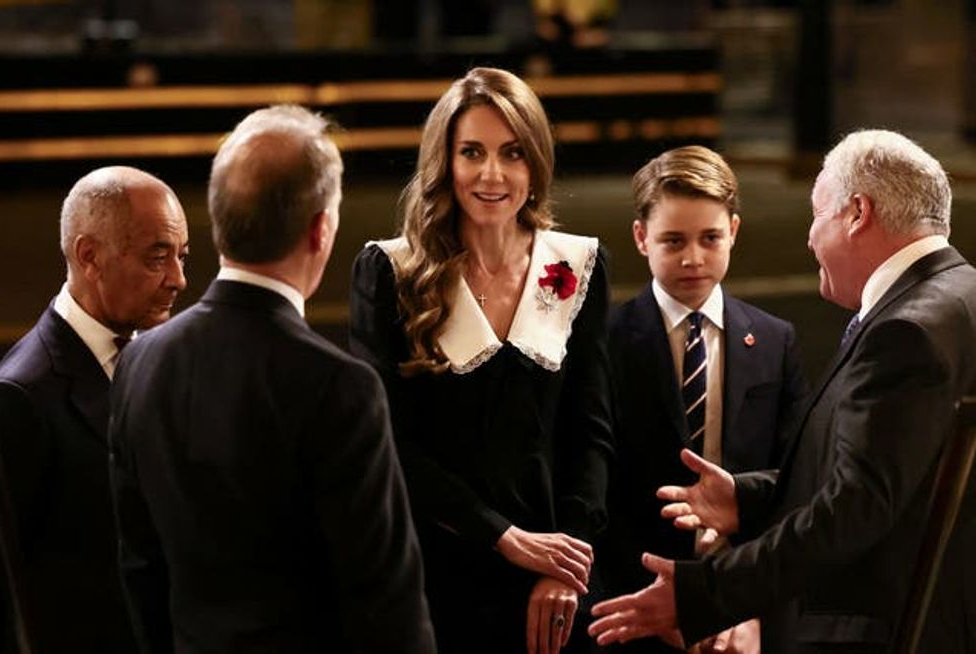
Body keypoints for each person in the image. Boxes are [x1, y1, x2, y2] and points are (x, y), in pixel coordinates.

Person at [588, 129, 976, 653]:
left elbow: (854, 507)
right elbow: (885, 475)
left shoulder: (902, 331)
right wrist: (748, 498)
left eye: (817, 216)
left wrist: (709, 594)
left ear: (856, 212)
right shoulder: (961, 293)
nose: (811, 238)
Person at [108, 105, 436, 653]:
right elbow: (385, 604)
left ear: (218, 219)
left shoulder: (141, 362)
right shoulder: (340, 386)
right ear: (321, 230)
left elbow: (141, 570)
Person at [349, 67, 613, 654]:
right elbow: (386, 443)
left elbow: (591, 435)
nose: (493, 174)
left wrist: (563, 559)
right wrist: (505, 538)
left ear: (536, 163)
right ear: (444, 160)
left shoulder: (577, 265)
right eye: (472, 152)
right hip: (436, 576)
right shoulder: (390, 272)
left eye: (512, 153)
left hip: (554, 583)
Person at [600, 146, 807, 654]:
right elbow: (596, 489)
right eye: (673, 240)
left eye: (710, 238)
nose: (693, 257)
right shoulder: (604, 343)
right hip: (636, 601)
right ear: (640, 238)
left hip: (743, 605)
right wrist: (662, 607)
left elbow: (795, 478)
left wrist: (750, 604)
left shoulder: (775, 340)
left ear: (733, 231)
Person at [0, 166, 189, 653]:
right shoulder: (18, 395)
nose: (179, 280)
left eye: (182, 257)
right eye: (158, 257)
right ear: (89, 256)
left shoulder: (168, 359)